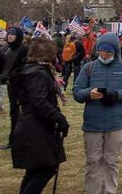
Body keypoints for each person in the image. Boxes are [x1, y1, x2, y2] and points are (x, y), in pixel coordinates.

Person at [73, 32, 122, 193]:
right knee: (92, 161)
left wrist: (116, 95)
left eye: (108, 52)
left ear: (115, 51)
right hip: (92, 123)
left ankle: (110, 190)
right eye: (102, 51)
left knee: (111, 160)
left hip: (116, 123)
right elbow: (76, 92)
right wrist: (90, 93)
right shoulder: (89, 67)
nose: (104, 55)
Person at [11, 37, 69, 194]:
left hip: (32, 124)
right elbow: (39, 102)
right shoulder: (38, 73)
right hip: (36, 126)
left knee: (35, 169)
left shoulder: (34, 70)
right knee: (47, 167)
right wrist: (59, 118)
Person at [0, 27, 28, 150]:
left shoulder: (24, 49)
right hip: (12, 84)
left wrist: (14, 75)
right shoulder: (8, 50)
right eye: (9, 34)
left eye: (13, 34)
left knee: (24, 113)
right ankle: (14, 140)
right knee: (14, 113)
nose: (10, 36)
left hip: (21, 86)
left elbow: (26, 67)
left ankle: (22, 139)